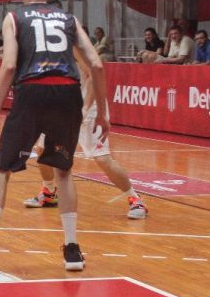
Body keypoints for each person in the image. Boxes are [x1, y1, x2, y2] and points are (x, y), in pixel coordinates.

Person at [0, 0, 108, 271]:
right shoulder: (69, 18)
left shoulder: (14, 18)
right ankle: (72, 251)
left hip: (32, 91)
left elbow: (10, 65)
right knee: (63, 172)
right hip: (67, 93)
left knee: (2, 170)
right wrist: (102, 114)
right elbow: (96, 65)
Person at [24, 60, 147, 219]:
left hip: (87, 106)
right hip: (60, 104)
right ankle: (49, 192)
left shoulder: (75, 45)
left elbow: (92, 75)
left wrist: (84, 109)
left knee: (102, 159)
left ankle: (135, 200)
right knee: (42, 149)